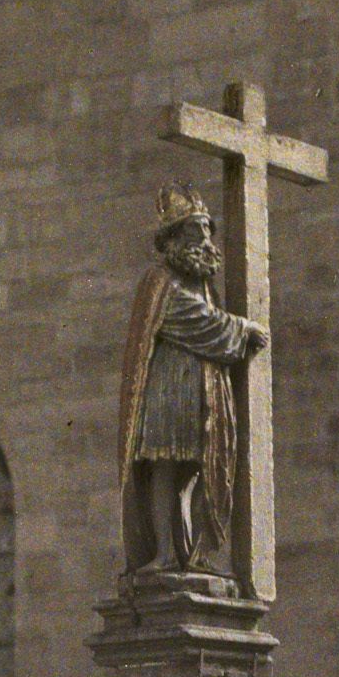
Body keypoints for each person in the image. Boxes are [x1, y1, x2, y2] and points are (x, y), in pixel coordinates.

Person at [118, 182, 267, 575]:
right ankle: (165, 554)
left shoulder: (203, 284)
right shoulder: (161, 281)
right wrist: (241, 329)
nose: (204, 238)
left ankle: (192, 554)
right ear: (172, 239)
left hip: (202, 390)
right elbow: (191, 320)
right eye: (194, 230)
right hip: (168, 390)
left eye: (206, 229)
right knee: (166, 467)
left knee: (194, 472)